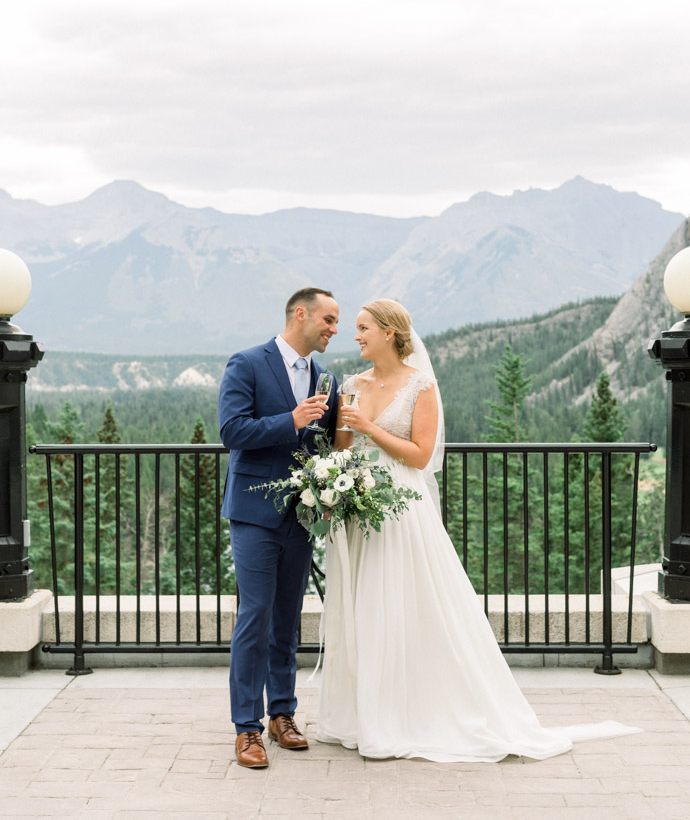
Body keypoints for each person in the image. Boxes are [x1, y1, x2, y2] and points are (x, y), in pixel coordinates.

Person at [316, 298, 639, 762]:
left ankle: (411, 714)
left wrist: (368, 425)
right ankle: (363, 712)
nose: (356, 335)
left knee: (405, 605)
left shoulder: (420, 385)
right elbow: (344, 446)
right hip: (359, 506)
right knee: (362, 607)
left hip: (403, 509)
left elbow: (421, 455)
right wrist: (338, 464)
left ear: (389, 332)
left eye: (364, 327)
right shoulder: (351, 384)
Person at [219, 287, 339, 768]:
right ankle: (246, 729)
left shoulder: (326, 376)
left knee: (288, 620)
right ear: (300, 313)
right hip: (253, 512)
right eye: (328, 320)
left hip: (302, 513)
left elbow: (325, 440)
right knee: (255, 617)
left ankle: (282, 714)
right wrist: (289, 420)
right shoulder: (246, 363)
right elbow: (233, 432)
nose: (334, 329)